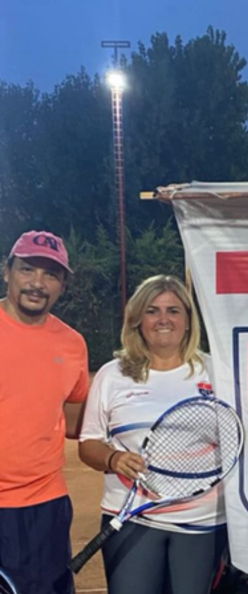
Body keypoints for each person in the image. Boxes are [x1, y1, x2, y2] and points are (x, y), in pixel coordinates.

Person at [79, 274, 227, 594]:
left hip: (201, 521)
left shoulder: (217, 372)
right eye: (152, 310)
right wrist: (114, 458)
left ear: (188, 321)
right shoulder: (112, 375)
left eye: (174, 311)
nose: (163, 319)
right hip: (130, 517)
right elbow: (88, 444)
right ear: (137, 321)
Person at [0, 230, 89, 594]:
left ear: (62, 285)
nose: (37, 283)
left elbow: (73, 421)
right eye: (28, 270)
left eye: (50, 275)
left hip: (43, 506)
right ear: (7, 272)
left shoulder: (71, 344)